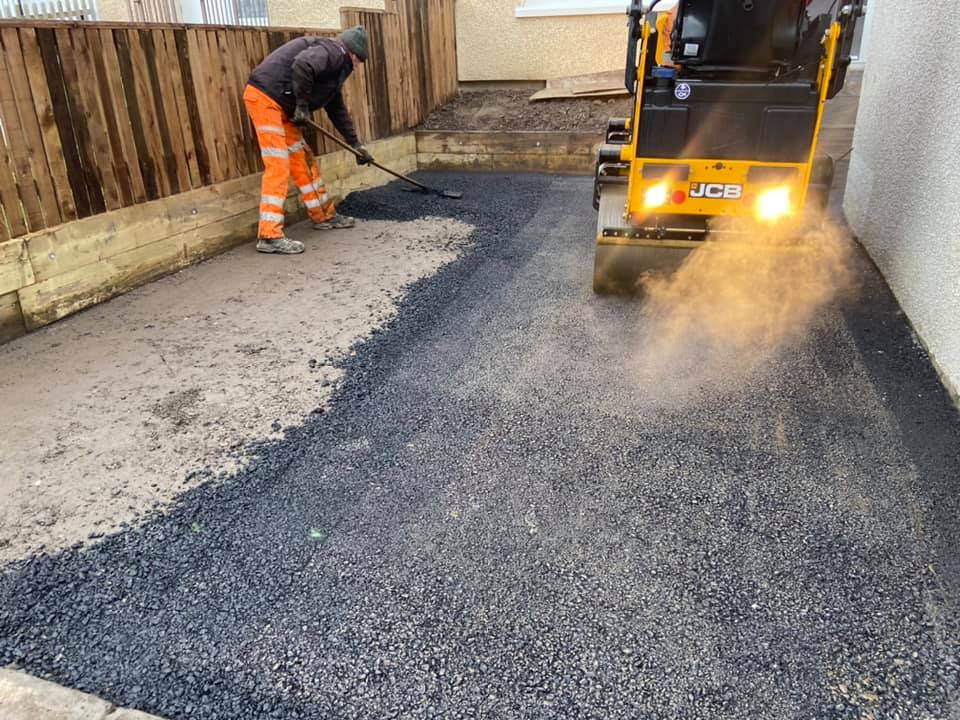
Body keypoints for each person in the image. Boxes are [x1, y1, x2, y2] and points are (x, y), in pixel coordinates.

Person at [243, 27, 375, 255]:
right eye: (359, 62)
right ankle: (269, 235)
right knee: (278, 164)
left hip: (284, 106)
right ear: (353, 55)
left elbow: (337, 110)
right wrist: (302, 107)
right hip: (265, 99)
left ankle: (323, 216)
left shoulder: (334, 69)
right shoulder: (333, 52)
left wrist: (356, 145)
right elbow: (303, 65)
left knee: (302, 160)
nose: (356, 67)